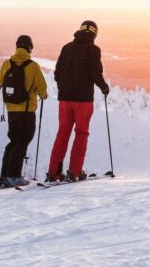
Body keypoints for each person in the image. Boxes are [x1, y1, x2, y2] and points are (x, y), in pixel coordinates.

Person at [46, 20, 110, 182]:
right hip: (83, 100)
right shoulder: (94, 50)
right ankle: (74, 172)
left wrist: (64, 88)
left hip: (65, 100)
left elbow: (57, 74)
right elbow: (95, 74)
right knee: (81, 134)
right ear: (95, 33)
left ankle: (53, 173)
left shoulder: (67, 48)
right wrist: (104, 88)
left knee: (63, 134)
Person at [0, 35, 47, 187]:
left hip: (11, 110)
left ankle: (5, 175)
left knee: (13, 141)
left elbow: (0, 80)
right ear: (30, 48)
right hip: (26, 111)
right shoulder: (33, 66)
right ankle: (14, 176)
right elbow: (42, 89)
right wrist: (43, 95)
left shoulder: (7, 63)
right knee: (22, 142)